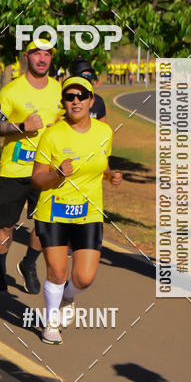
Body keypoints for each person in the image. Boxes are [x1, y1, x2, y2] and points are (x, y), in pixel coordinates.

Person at [31, 77, 121, 344]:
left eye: (82, 95)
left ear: (92, 100)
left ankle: (67, 295)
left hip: (88, 212)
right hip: (54, 210)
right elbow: (37, 178)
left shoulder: (104, 133)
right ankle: (51, 323)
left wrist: (111, 175)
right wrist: (58, 174)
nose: (76, 101)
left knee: (83, 278)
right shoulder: (52, 135)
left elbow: (100, 164)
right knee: (57, 271)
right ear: (64, 103)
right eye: (70, 97)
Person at [0, 40, 61, 294]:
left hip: (46, 171)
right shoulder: (10, 91)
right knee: (6, 224)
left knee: (44, 226)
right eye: (37, 53)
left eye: (47, 54)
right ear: (27, 56)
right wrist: (21, 126)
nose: (42, 58)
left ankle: (29, 263)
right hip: (14, 170)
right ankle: (0, 266)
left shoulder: (58, 89)